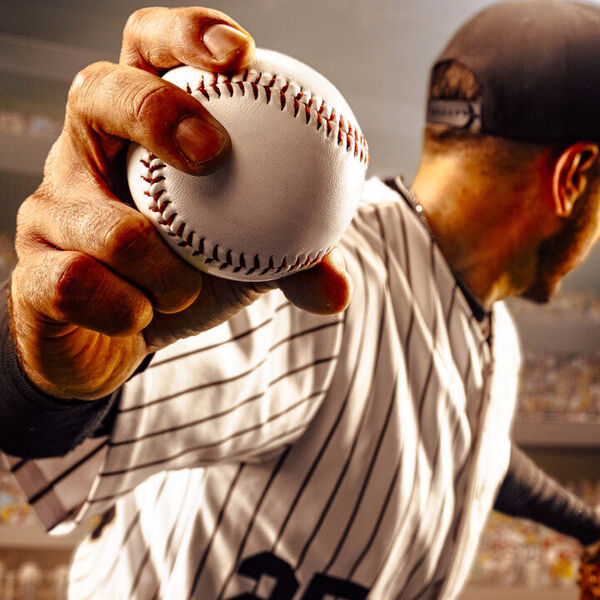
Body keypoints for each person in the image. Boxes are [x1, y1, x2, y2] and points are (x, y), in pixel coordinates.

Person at [1, 1, 600, 598]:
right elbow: (51, 431)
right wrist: (32, 357)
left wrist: (587, 527)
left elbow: (479, 454)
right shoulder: (305, 285)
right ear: (573, 177)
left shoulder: (498, 332)